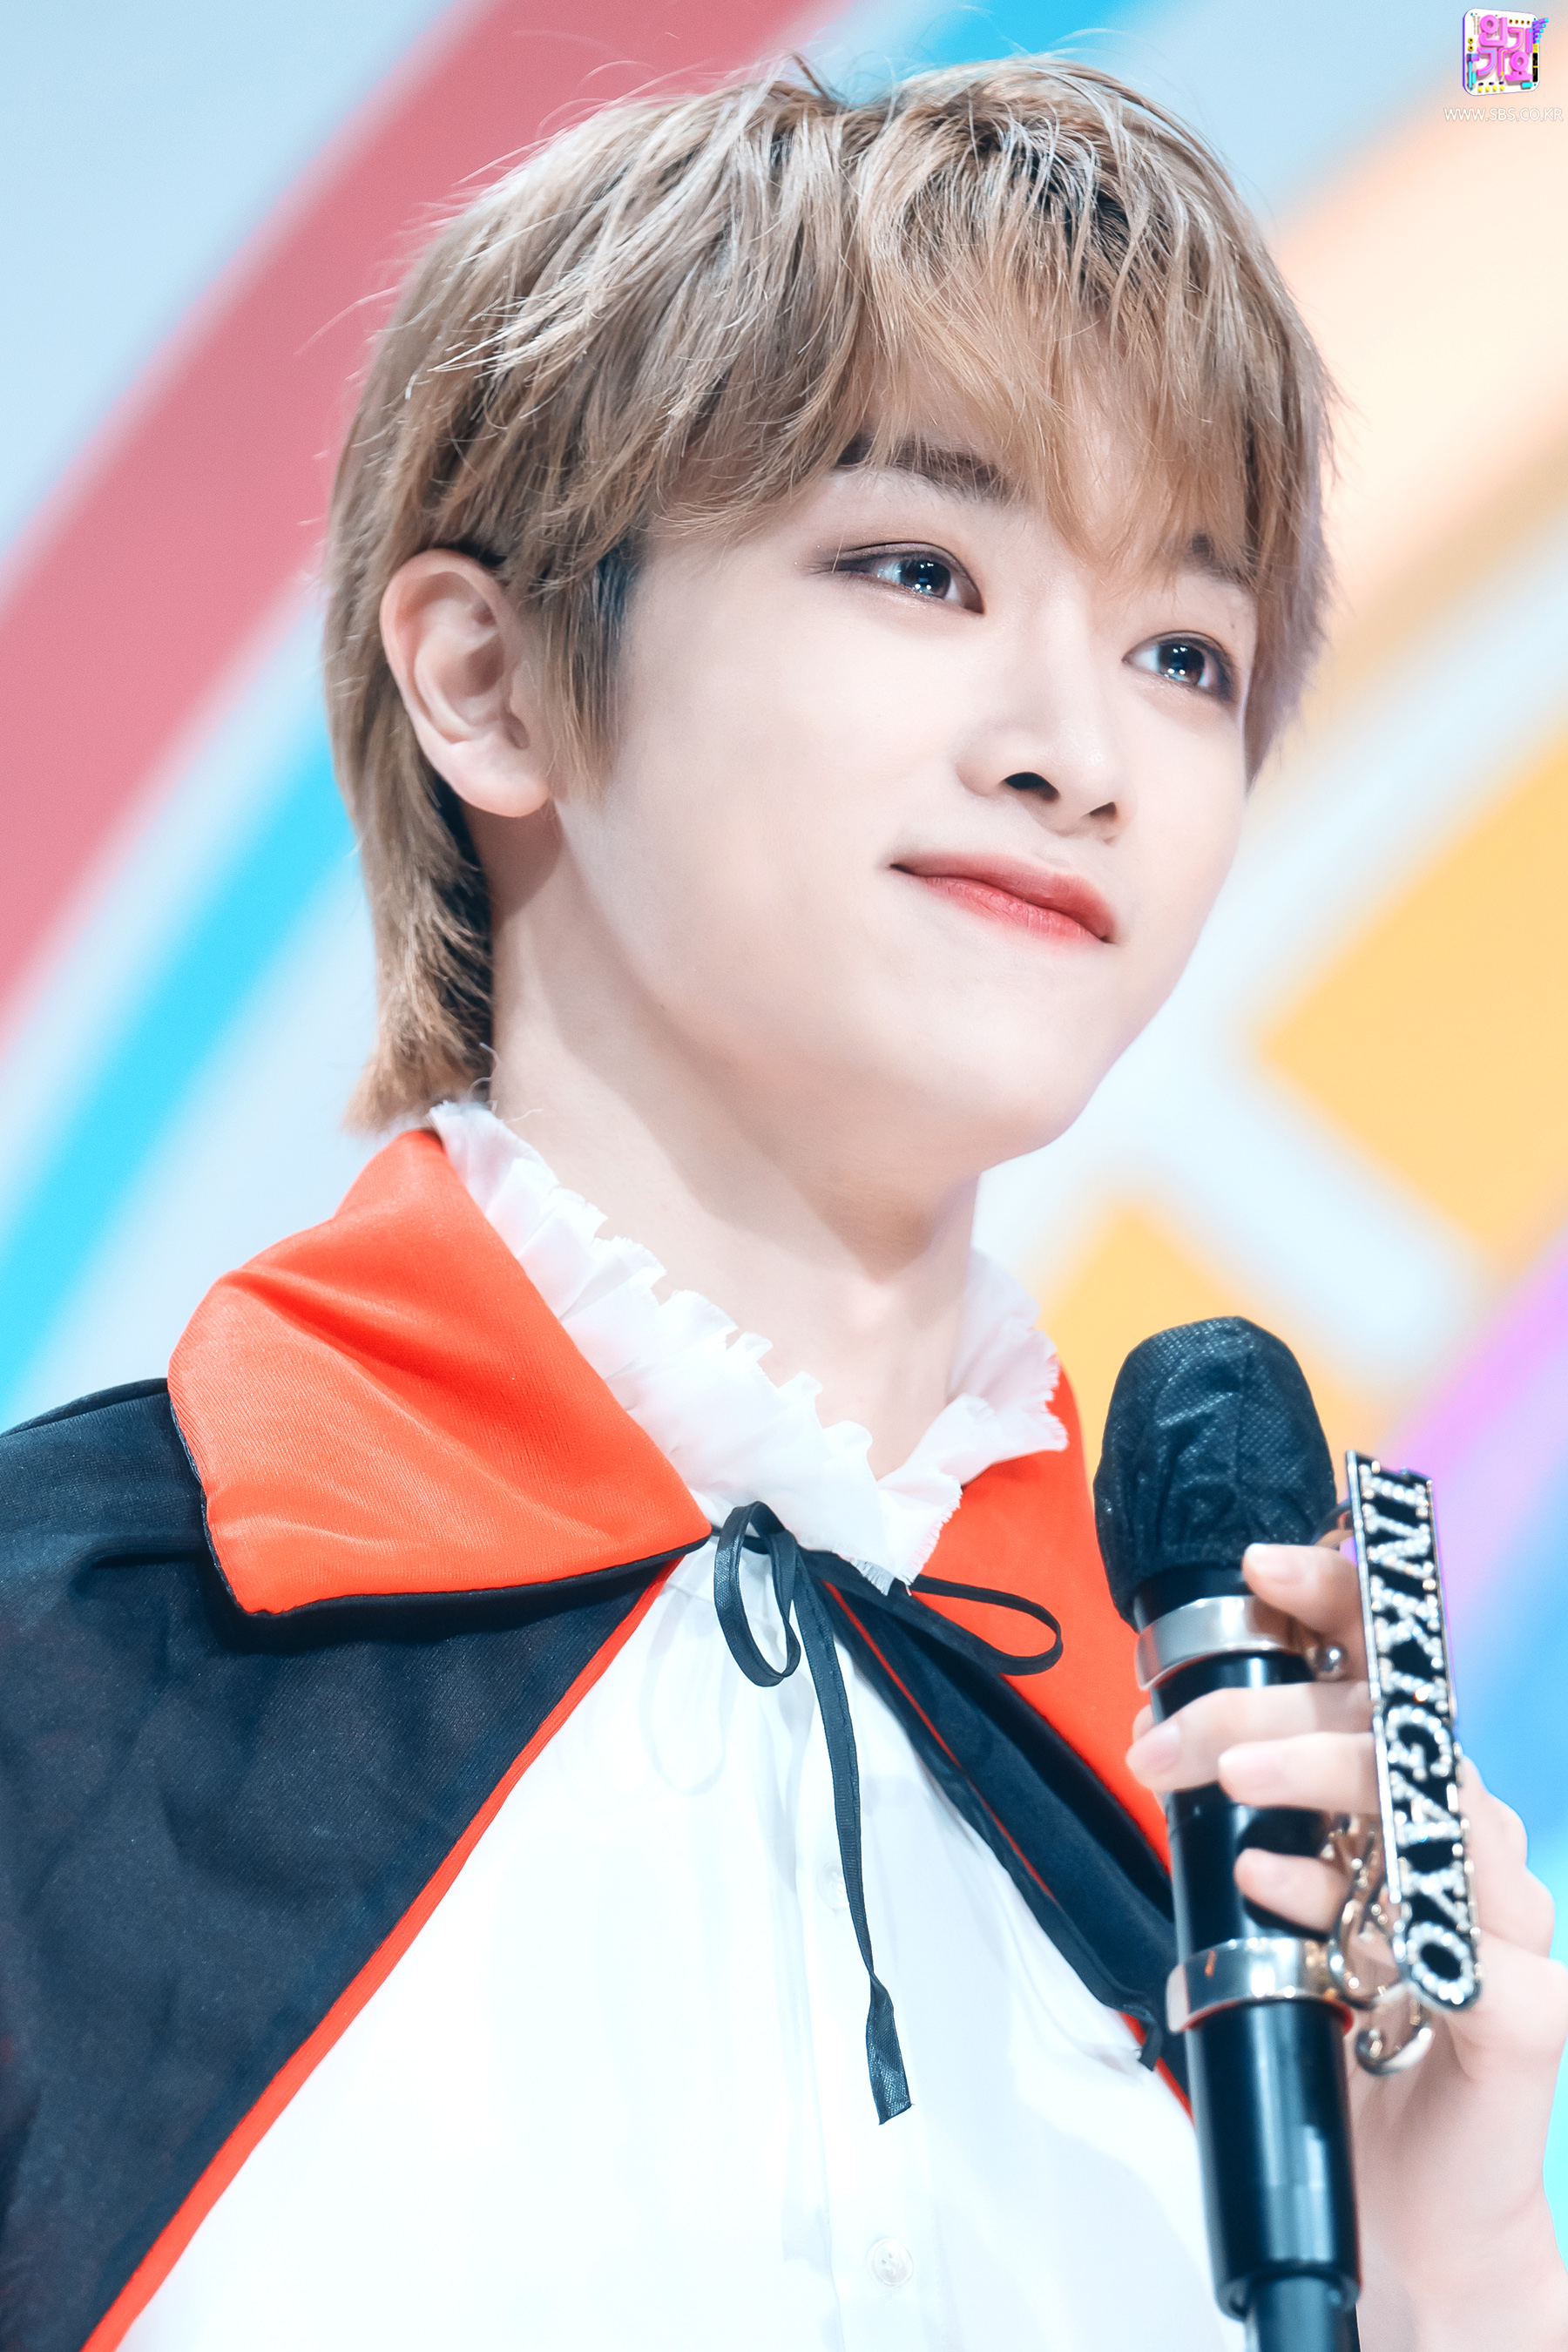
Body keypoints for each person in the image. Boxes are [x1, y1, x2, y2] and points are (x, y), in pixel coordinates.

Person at [1, 57, 1564, 2352]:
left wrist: (1449, 2280)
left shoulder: (1215, 1835)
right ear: (490, 680)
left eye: (1186, 655)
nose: (1078, 752)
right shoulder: (57, 1671)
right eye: (919, 568)